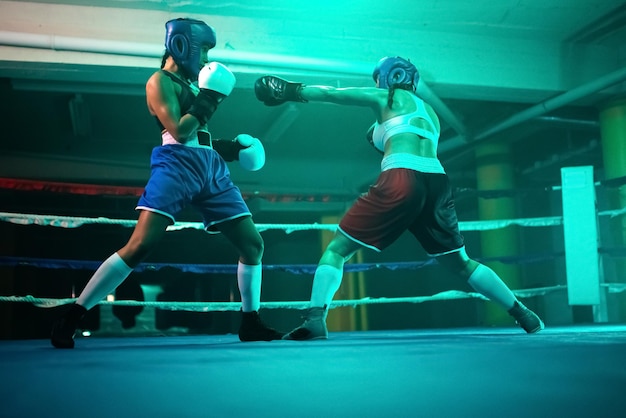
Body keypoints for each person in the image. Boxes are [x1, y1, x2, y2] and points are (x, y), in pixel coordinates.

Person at [254, 56, 544, 340]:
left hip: (401, 176)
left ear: (389, 77)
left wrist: (291, 90)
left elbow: (334, 94)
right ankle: (523, 313)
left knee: (337, 250)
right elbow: (394, 133)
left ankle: (316, 320)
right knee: (461, 263)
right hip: (437, 182)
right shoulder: (430, 113)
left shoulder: (387, 97)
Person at [50, 17, 283, 348]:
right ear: (181, 46)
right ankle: (72, 314)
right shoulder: (159, 81)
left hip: (210, 168)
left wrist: (230, 149)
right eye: (201, 50)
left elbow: (199, 137)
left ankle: (251, 322)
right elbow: (180, 131)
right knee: (140, 244)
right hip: (176, 166)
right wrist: (211, 97)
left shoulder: (192, 86)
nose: (204, 59)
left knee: (253, 245)